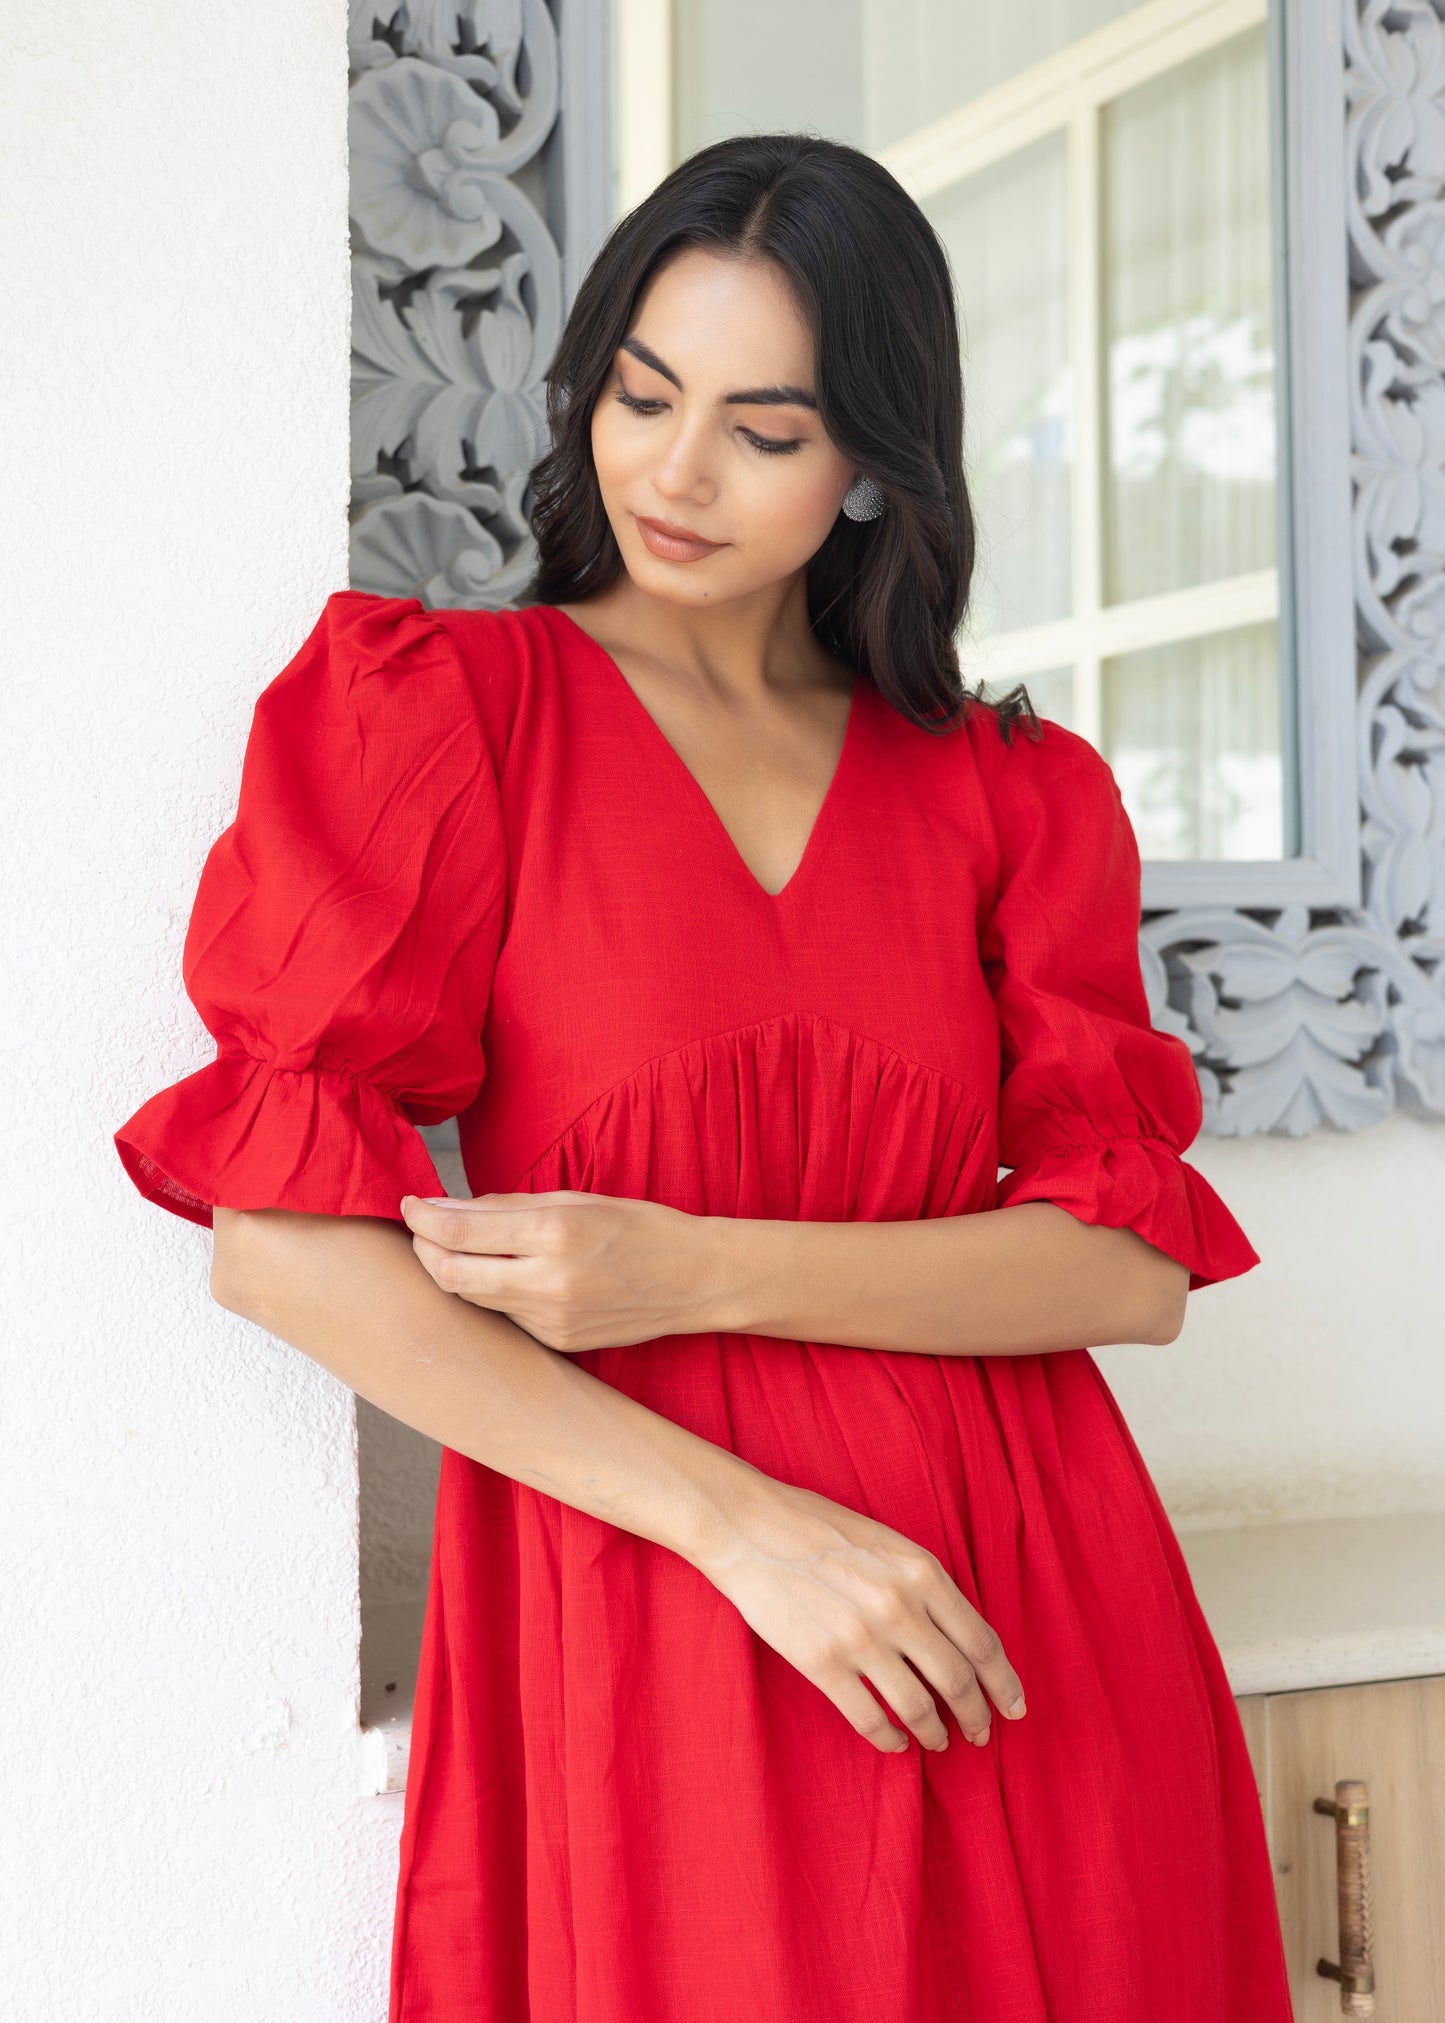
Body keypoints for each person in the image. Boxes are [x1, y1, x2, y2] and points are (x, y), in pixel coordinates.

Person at [114, 135, 1293, 2021]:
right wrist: (746, 1525)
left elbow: (1118, 1272)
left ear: (867, 470)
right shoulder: (443, 712)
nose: (671, 471)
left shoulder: (1012, 789)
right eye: (642, 395)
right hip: (653, 1588)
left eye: (764, 427)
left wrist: (694, 1269)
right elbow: (276, 1243)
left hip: (1024, 1609)